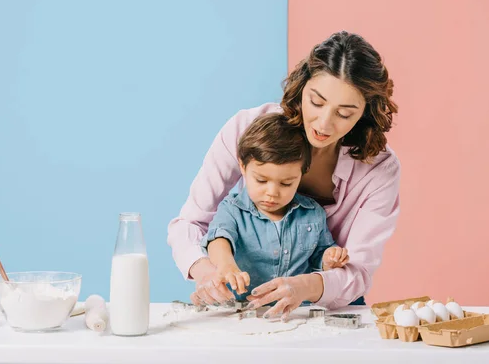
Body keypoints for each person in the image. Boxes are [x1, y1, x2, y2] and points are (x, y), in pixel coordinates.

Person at [168, 30, 400, 321]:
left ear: (366, 112)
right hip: (245, 309)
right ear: (302, 87)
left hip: (327, 312)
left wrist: (304, 286)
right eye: (316, 102)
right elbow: (190, 222)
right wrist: (209, 274)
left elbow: (359, 269)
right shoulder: (248, 130)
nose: (324, 123)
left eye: (344, 113)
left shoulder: (378, 169)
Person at [201, 113, 350, 301]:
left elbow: (320, 254)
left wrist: (329, 259)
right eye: (261, 180)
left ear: (302, 174)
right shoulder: (232, 209)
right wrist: (225, 264)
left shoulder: (313, 214)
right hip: (244, 312)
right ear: (243, 167)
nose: (272, 192)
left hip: (296, 312)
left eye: (286, 183)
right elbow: (218, 238)